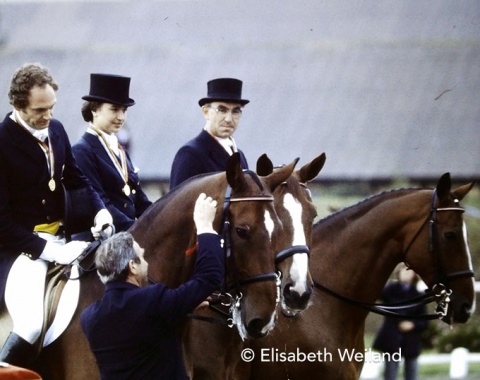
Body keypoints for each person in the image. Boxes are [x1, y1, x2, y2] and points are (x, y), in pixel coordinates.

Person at [0, 63, 112, 368]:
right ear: (17, 105)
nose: (47, 116)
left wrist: (100, 210)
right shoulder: (2, 141)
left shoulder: (57, 129)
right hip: (21, 250)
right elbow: (3, 225)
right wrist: (53, 251)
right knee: (32, 324)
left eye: (51, 108)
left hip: (65, 239)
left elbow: (76, 179)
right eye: (39, 110)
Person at [81, 193, 224, 379]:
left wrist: (180, 306)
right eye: (142, 257)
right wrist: (205, 227)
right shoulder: (153, 301)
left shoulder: (90, 318)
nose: (146, 264)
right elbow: (208, 278)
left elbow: (138, 329)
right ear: (132, 266)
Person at [72, 73, 152, 232]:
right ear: (95, 109)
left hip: (127, 234)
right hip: (103, 237)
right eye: (114, 110)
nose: (121, 117)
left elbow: (140, 201)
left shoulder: (120, 150)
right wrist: (138, 231)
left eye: (124, 110)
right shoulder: (82, 151)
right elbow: (100, 201)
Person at [169, 77, 249, 189]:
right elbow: (176, 204)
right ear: (206, 112)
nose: (229, 119)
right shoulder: (190, 154)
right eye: (222, 110)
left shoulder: (239, 155)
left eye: (235, 111)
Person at [373, 263, 428, 380]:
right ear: (398, 273)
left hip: (411, 342)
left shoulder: (418, 295)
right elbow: (375, 294)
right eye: (404, 270)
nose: (406, 273)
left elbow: (424, 321)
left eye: (409, 271)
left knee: (411, 375)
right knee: (390, 375)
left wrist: (413, 324)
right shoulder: (390, 290)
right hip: (392, 341)